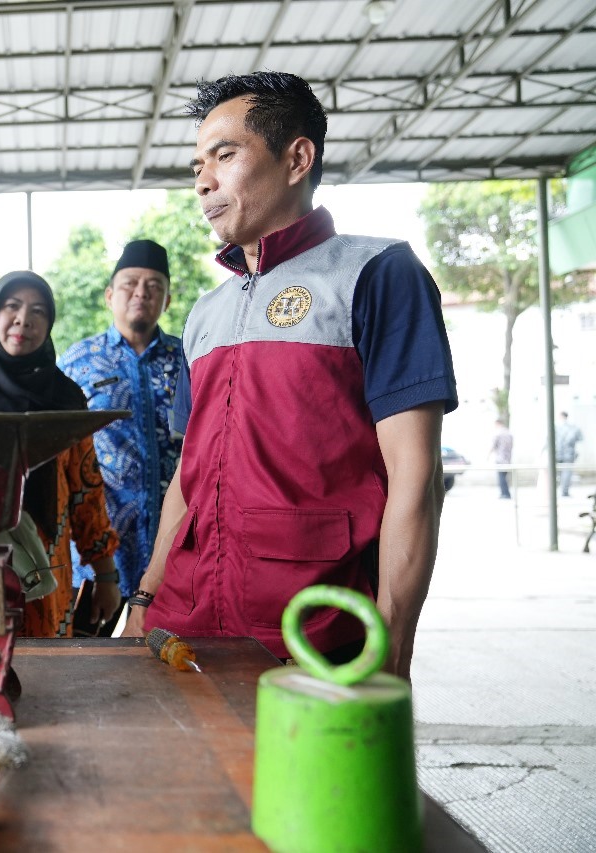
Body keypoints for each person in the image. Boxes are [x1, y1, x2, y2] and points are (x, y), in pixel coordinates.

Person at [121, 72, 457, 680]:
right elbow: (186, 481)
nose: (203, 181)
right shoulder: (206, 312)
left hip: (315, 637)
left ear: (297, 158)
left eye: (225, 155)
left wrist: (393, 648)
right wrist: (145, 598)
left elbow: (417, 476)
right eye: (198, 163)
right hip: (187, 626)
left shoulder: (377, 274)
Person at [0, 271, 121, 638]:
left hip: (46, 569)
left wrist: (106, 575)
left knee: (48, 681)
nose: (24, 319)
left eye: (38, 311)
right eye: (12, 306)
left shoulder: (64, 399)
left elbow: (86, 490)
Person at [59, 239, 185, 635]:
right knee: (83, 661)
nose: (141, 293)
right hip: (101, 550)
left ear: (166, 301)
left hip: (172, 545)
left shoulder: (189, 360)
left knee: (166, 665)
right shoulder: (77, 362)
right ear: (110, 295)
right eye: (130, 284)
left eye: (153, 286)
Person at [556, 411, 582, 497]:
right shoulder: (573, 428)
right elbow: (580, 438)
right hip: (568, 454)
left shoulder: (555, 427)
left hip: (557, 454)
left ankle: (557, 492)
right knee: (566, 473)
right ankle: (564, 492)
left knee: (558, 474)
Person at [491, 419, 513, 500]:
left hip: (500, 458)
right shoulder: (508, 433)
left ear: (497, 424)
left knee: (501, 477)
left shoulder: (498, 433)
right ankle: (506, 493)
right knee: (504, 476)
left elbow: (493, 445)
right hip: (508, 458)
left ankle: (505, 494)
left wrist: (488, 455)